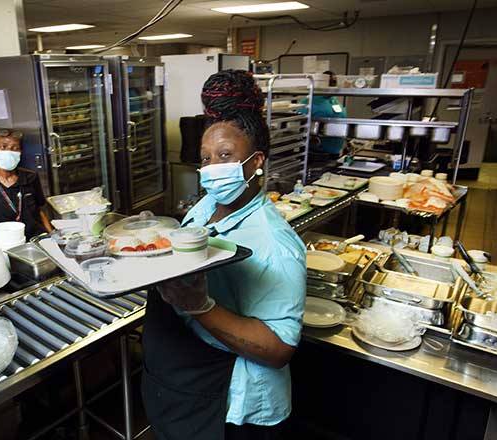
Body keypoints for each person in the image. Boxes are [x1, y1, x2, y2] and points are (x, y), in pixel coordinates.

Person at [141, 70, 307, 440]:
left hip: (233, 403)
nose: (213, 168)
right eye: (206, 158)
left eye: (226, 155)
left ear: (256, 161)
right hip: (185, 380)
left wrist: (200, 306)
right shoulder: (206, 205)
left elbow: (279, 348)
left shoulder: (275, 244)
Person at [305, 70, 347, 157]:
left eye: (335, 82)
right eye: (331, 82)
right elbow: (299, 128)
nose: (333, 85)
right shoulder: (309, 101)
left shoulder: (334, 100)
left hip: (335, 152)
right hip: (316, 153)